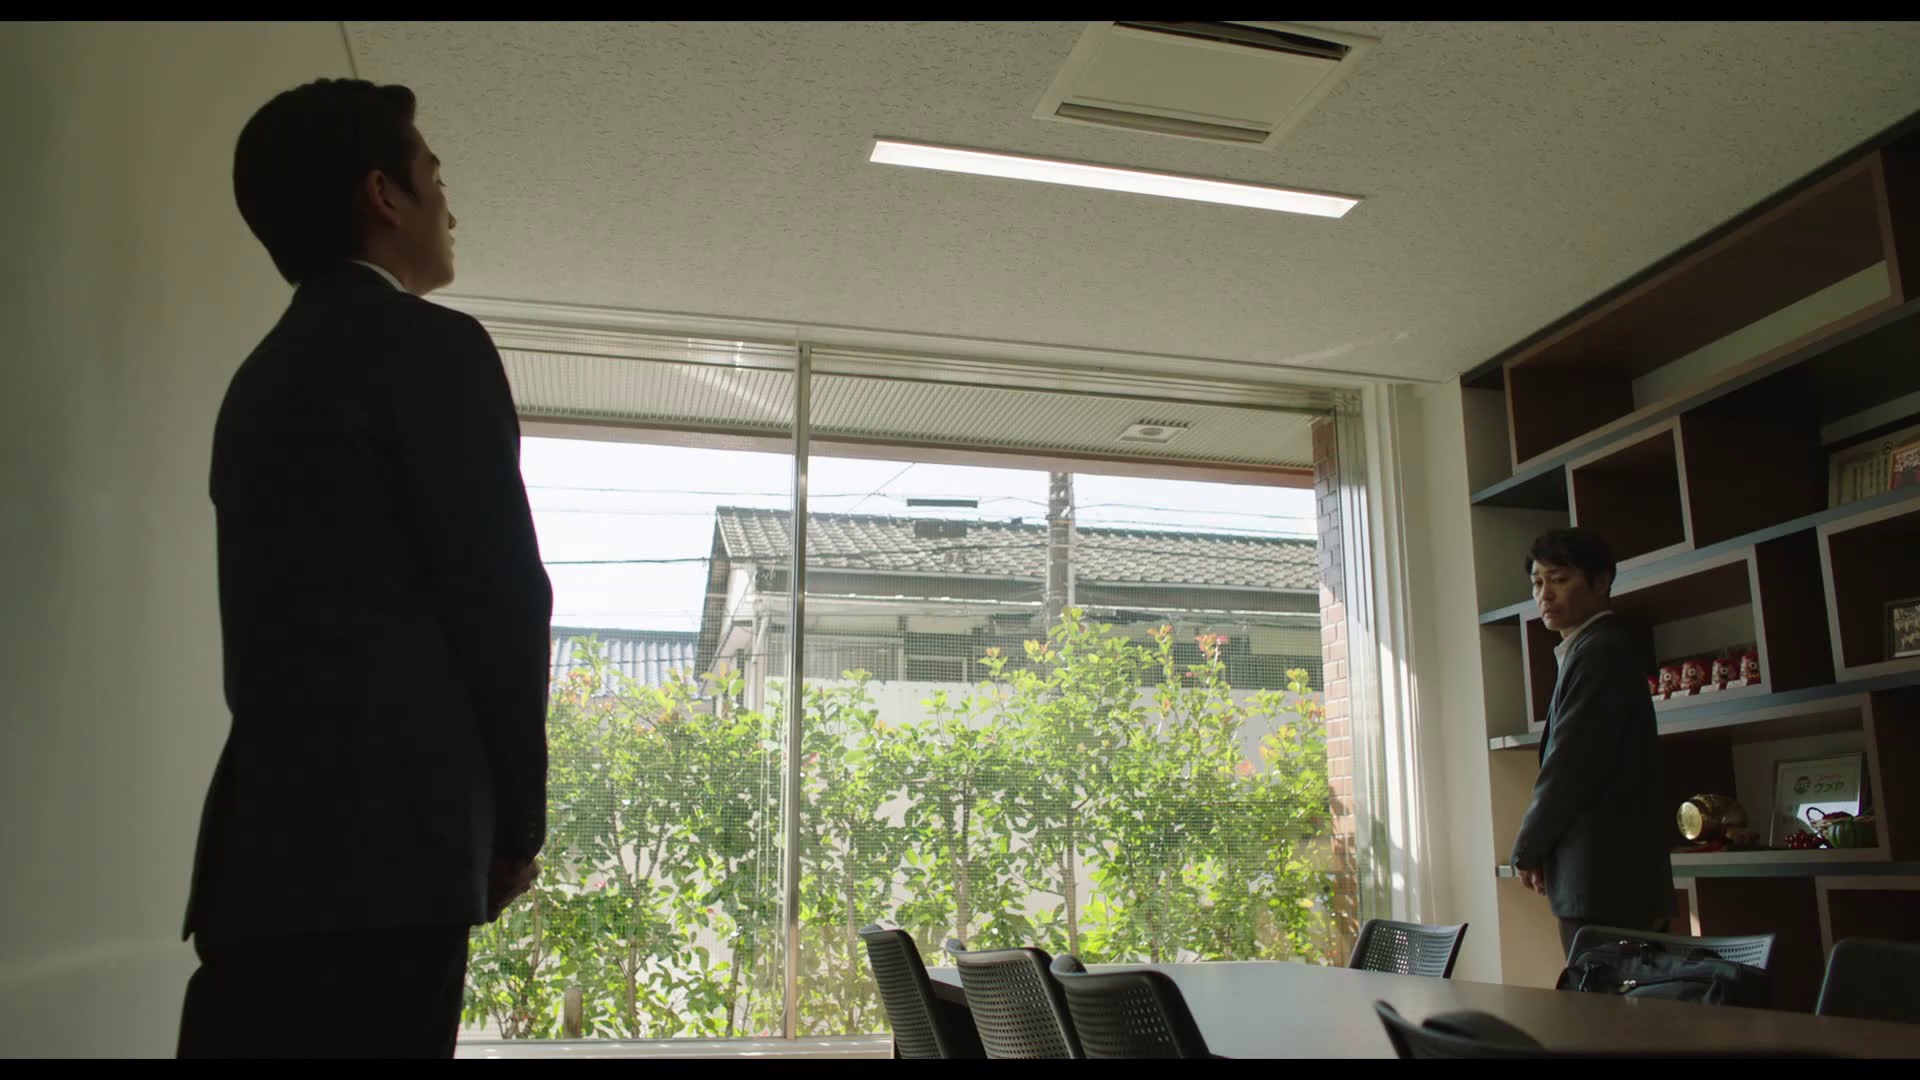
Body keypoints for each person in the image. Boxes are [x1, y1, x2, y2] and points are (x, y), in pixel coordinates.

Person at [177, 79, 553, 1058]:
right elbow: (503, 600)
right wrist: (517, 829)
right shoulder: (433, 348)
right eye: (435, 176)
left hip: (256, 869)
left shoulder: (258, 380)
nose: (450, 208)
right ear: (384, 195)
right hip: (391, 864)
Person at [1510, 527, 1674, 960]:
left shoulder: (1601, 650)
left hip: (1608, 882)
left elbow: (1569, 765)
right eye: (1537, 582)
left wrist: (1528, 848)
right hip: (1604, 881)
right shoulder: (1586, 649)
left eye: (1560, 580)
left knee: (1604, 999)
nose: (1545, 595)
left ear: (1601, 582)